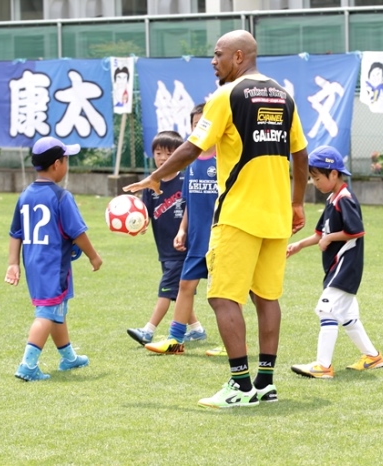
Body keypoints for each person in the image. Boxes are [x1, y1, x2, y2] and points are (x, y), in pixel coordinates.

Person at [124, 29, 309, 409]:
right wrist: (297, 204)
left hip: (238, 215)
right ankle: (266, 384)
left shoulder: (226, 96)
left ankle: (241, 385)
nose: (213, 61)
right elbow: (301, 154)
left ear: (239, 56)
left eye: (218, 54)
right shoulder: (283, 96)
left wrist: (156, 176)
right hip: (276, 215)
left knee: (223, 297)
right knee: (267, 297)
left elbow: (193, 146)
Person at [5, 136, 103, 382]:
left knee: (57, 309)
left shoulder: (25, 195)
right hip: (53, 266)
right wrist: (93, 256)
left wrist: (13, 263)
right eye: (66, 160)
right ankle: (28, 365)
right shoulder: (61, 197)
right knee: (46, 313)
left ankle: (68, 357)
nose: (67, 165)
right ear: (57, 164)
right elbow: (77, 232)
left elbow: (15, 233)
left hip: (34, 264)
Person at [287, 145, 383, 379]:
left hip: (345, 267)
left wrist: (330, 238)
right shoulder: (333, 199)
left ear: (333, 173)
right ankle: (373, 357)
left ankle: (323, 366)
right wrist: (299, 245)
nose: (314, 183)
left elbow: (356, 231)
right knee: (348, 317)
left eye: (317, 178)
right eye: (312, 178)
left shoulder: (345, 199)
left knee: (325, 310)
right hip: (336, 268)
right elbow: (321, 233)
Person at [126, 131, 206, 346]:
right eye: (158, 153)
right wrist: (139, 225)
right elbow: (146, 214)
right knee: (179, 291)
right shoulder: (151, 185)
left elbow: (193, 208)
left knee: (166, 290)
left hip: (182, 248)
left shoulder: (185, 179)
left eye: (169, 154)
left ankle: (148, 330)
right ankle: (196, 329)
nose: (163, 158)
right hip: (164, 250)